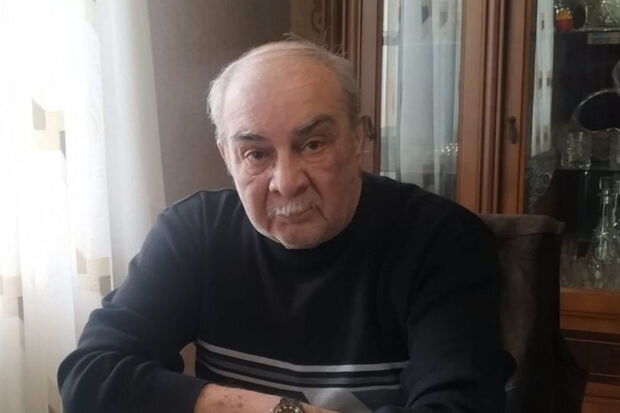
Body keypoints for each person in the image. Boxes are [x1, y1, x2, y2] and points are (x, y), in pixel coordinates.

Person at [58, 40, 511, 413]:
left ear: (358, 137)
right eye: (256, 153)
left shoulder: (442, 241)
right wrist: (276, 410)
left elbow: (461, 406)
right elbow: (89, 377)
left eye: (313, 144)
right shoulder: (193, 233)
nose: (286, 182)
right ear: (227, 156)